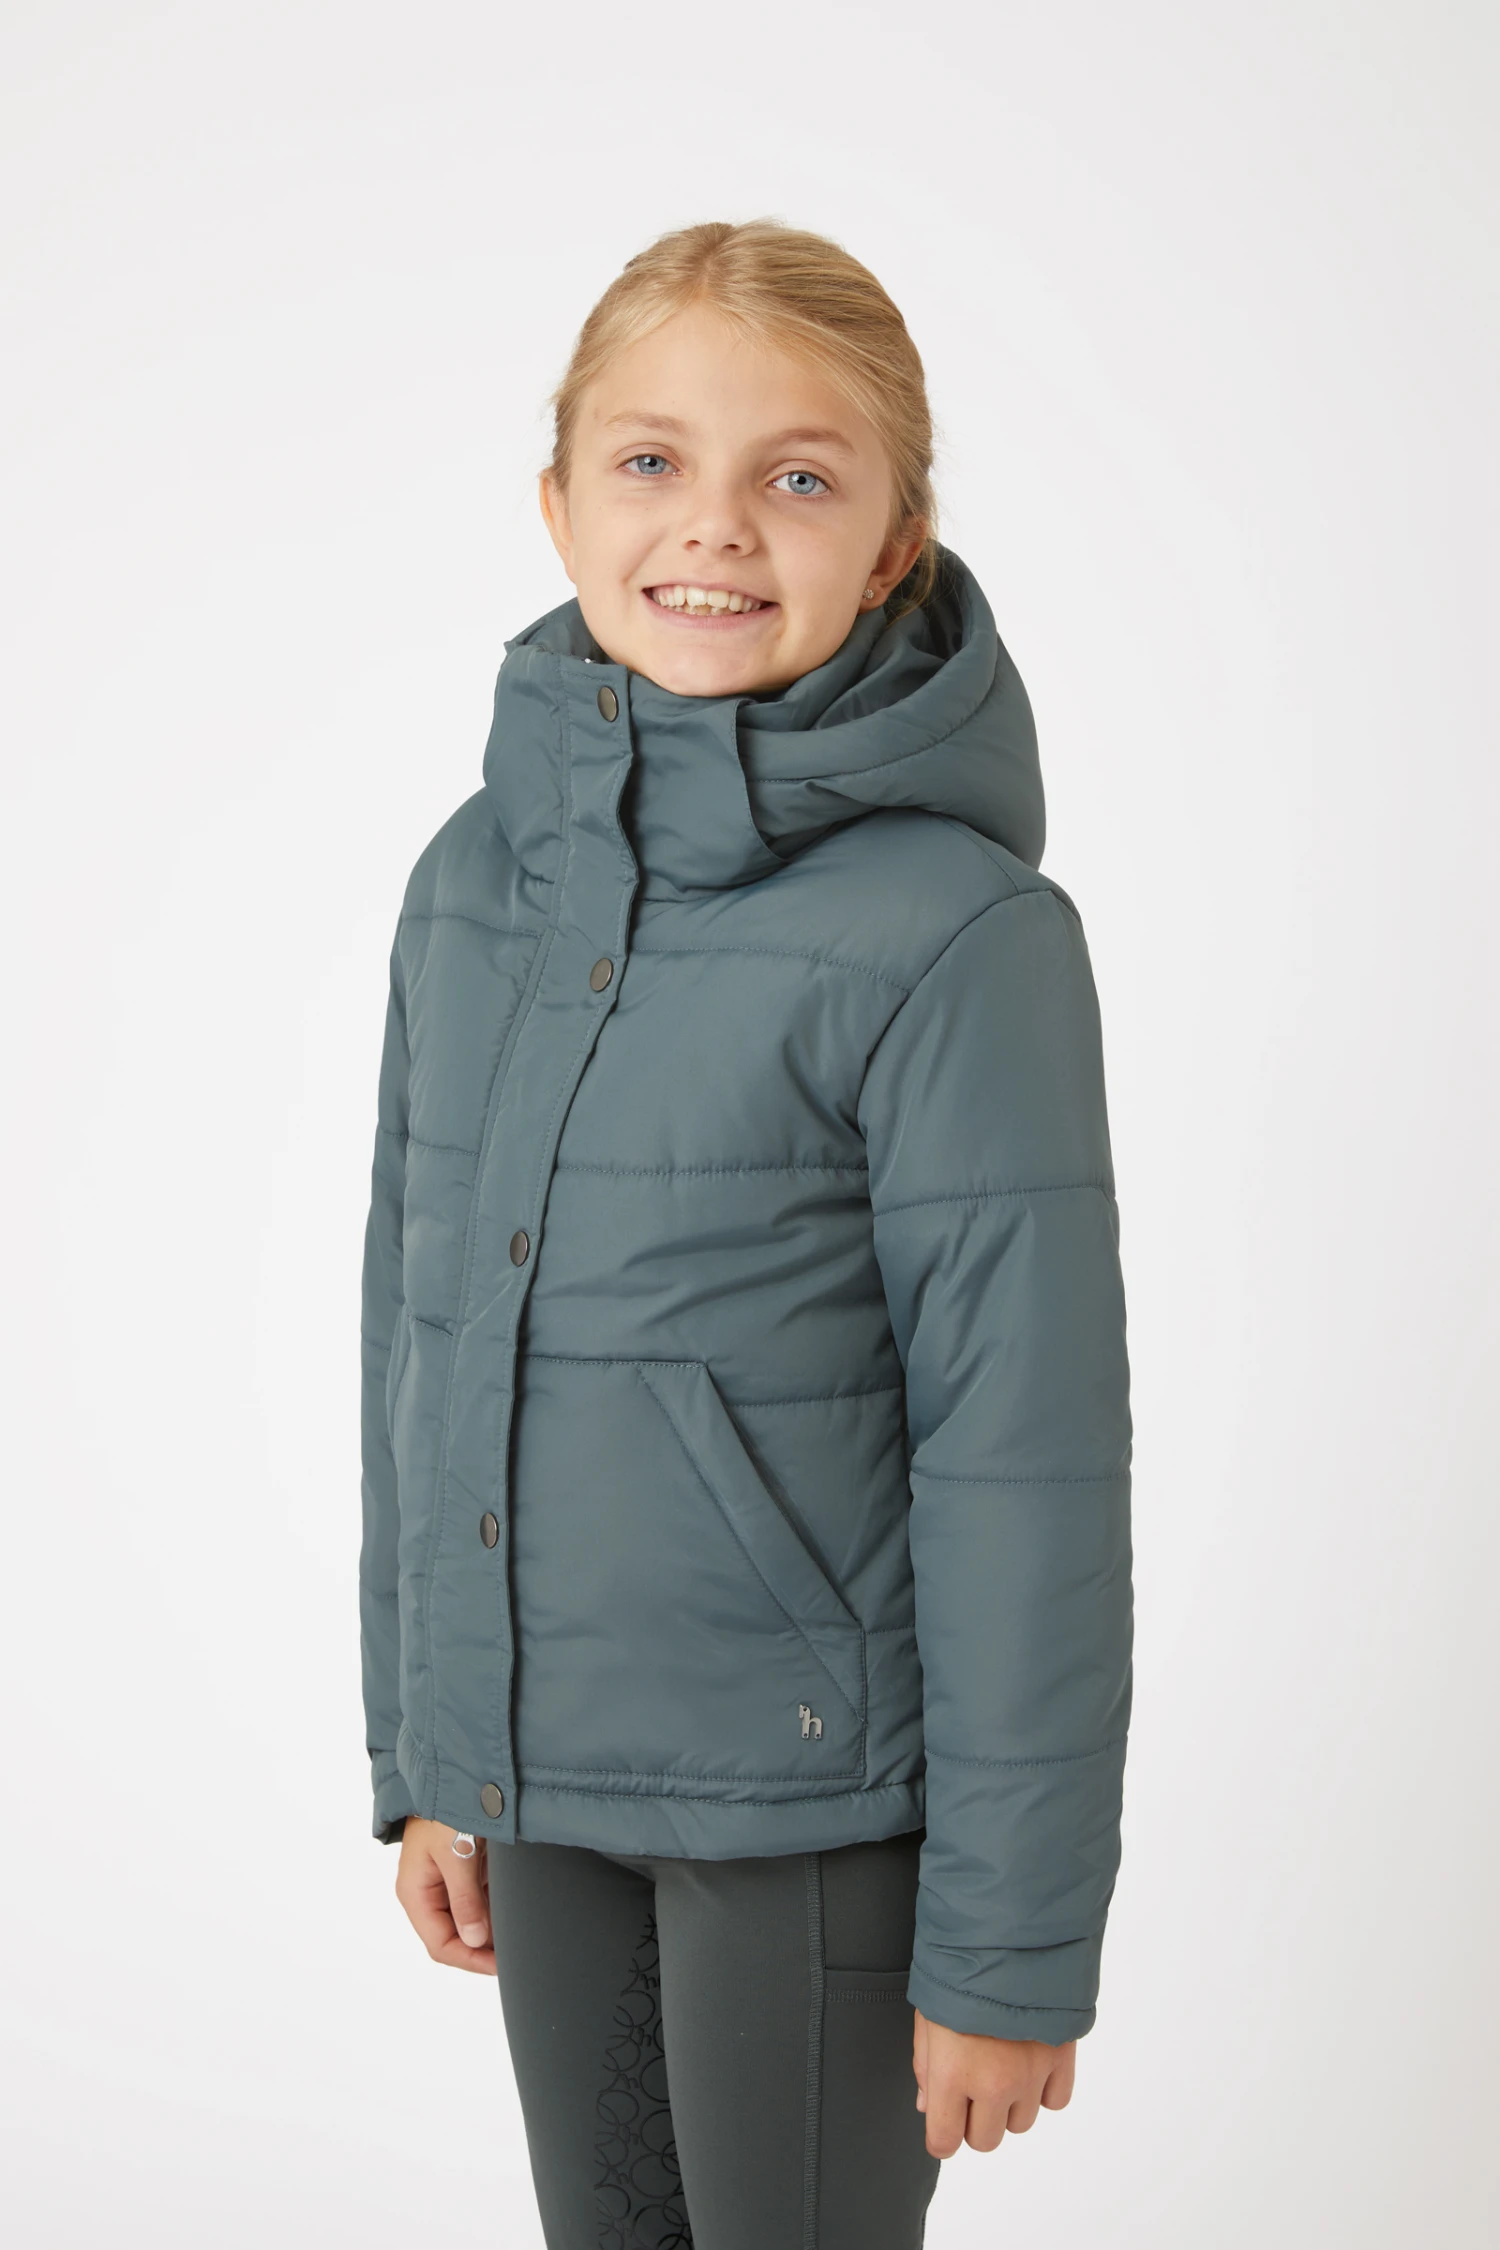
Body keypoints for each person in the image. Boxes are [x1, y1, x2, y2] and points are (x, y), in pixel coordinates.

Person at [358, 217, 1133, 2250]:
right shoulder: (473, 888)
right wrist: (436, 1745)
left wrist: (1010, 1944)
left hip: (814, 1815)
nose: (714, 524)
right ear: (557, 504)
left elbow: (1029, 1463)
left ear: (893, 547)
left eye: (797, 474)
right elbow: (421, 1339)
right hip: (546, 1788)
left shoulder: (959, 935)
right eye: (650, 461)